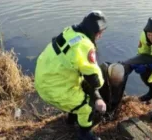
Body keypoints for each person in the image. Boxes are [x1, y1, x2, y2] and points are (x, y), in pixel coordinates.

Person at [34, 10, 108, 140]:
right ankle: (84, 134)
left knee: (79, 84)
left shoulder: (69, 32)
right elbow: (95, 80)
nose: (100, 37)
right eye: (100, 33)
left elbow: (74, 62)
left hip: (44, 80)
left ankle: (71, 118)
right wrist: (98, 94)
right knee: (87, 106)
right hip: (53, 89)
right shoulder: (85, 45)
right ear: (94, 32)